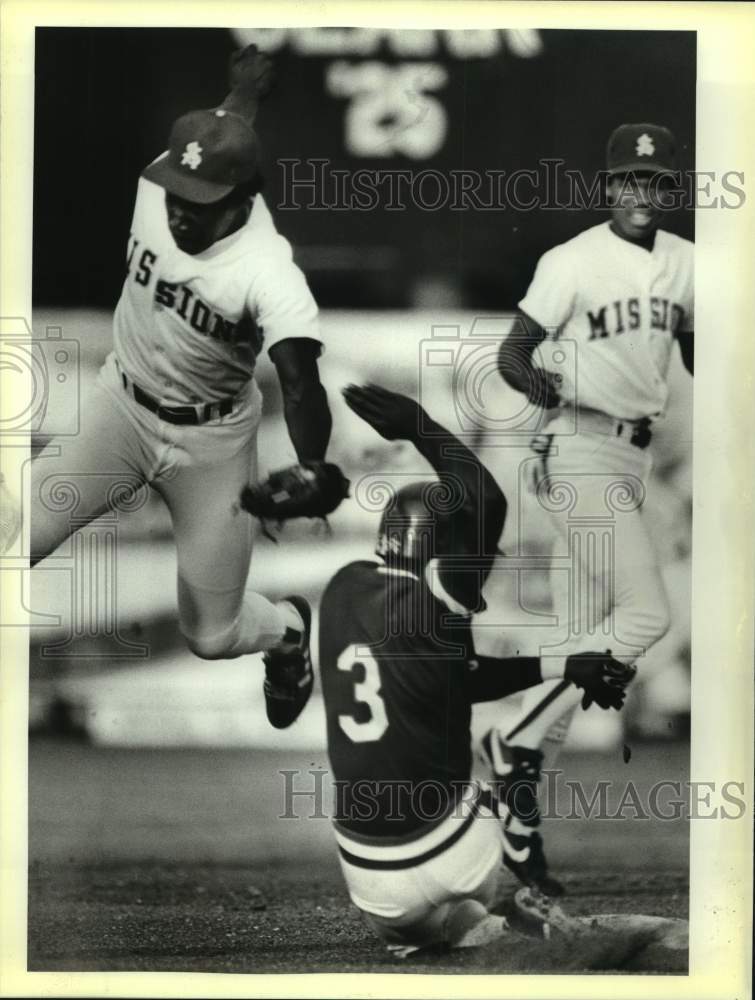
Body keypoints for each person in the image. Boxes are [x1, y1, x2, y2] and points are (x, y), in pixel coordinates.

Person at [30, 46, 330, 728]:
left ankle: (287, 633)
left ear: (246, 198)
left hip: (213, 444)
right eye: (179, 191)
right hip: (121, 410)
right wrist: (241, 90)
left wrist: (310, 467)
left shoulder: (267, 272)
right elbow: (224, 126)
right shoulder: (162, 183)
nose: (181, 211)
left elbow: (300, 381)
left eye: (203, 203)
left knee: (212, 635)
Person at [318, 383, 633, 957]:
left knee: (438, 919)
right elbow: (485, 500)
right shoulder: (437, 598)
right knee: (496, 751)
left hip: (369, 881)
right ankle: (506, 831)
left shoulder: (342, 589)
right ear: (441, 554)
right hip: (456, 850)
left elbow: (453, 678)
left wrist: (565, 664)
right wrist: (418, 423)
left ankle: (449, 928)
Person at [490, 122, 694, 892]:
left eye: (653, 182)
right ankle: (507, 745)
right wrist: (539, 387)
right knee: (646, 615)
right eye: (627, 181)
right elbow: (512, 351)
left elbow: (704, 355)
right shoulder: (571, 260)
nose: (640, 193)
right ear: (608, 187)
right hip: (575, 448)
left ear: (667, 190)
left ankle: (516, 826)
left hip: (631, 454)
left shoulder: (689, 265)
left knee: (581, 649)